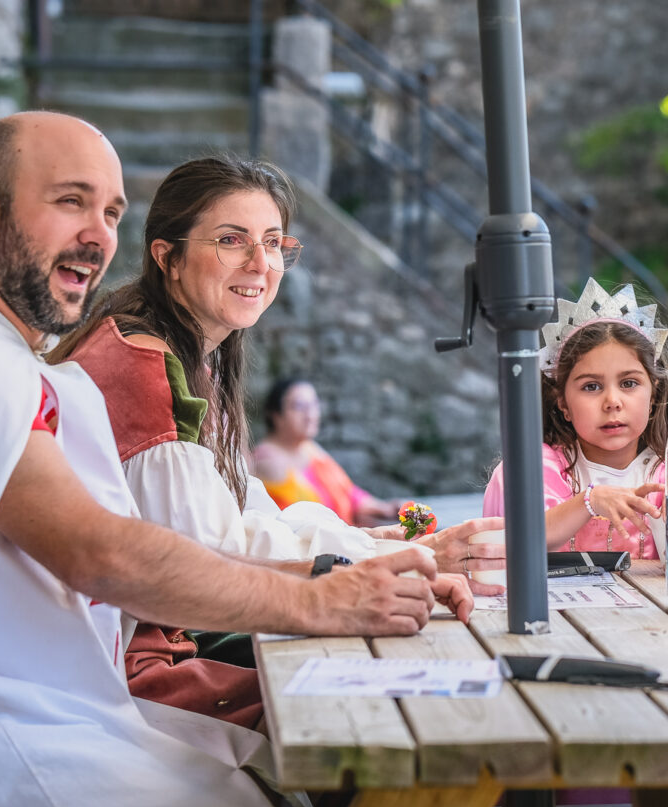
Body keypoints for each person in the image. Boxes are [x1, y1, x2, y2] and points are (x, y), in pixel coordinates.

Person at [0, 112, 468, 807]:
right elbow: (101, 552)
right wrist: (327, 601)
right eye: (70, 201)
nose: (99, 235)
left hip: (42, 703)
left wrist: (356, 572)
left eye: (110, 211)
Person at [59, 157, 502, 726]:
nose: (260, 263)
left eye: (272, 242)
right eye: (230, 240)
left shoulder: (184, 353)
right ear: (166, 256)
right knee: (401, 707)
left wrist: (371, 545)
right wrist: (374, 560)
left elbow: (248, 511)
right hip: (133, 665)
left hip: (168, 635)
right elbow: (209, 553)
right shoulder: (146, 365)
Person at [482, 278, 668, 558]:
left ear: (653, 394)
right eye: (591, 387)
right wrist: (590, 500)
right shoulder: (529, 470)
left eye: (628, 383)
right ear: (562, 402)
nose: (612, 402)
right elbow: (517, 542)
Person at [252, 377, 399, 526]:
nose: (310, 415)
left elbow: (348, 492)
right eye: (299, 406)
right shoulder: (266, 459)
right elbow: (306, 519)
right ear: (276, 415)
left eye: (314, 405)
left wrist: (383, 508)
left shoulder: (310, 449)